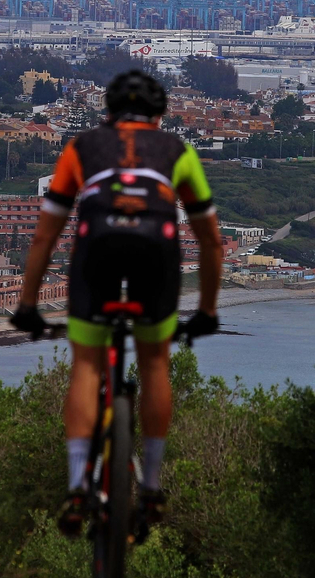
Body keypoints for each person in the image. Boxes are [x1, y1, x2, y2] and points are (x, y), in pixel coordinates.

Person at [11, 69, 222, 538]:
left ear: (105, 111)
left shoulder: (80, 148)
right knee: (154, 364)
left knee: (86, 365)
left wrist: (28, 303)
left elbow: (46, 235)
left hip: (97, 248)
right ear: (161, 114)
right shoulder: (178, 152)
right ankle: (149, 485)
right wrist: (207, 310)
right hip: (156, 251)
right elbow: (211, 241)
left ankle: (76, 487)